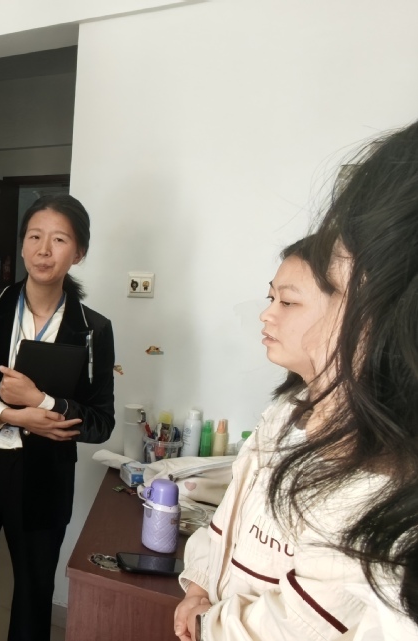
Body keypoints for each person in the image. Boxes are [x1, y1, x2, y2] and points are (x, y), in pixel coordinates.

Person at [175, 120, 418, 640]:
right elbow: (228, 522)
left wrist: (209, 624)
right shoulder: (285, 413)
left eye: (288, 301)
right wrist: (199, 585)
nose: (267, 314)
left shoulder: (378, 477)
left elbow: (299, 622)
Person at [0, 194, 116, 641]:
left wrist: (43, 402)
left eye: (59, 240)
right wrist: (9, 414)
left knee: (34, 599)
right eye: (35, 237)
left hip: (42, 481)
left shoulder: (93, 329)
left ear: (79, 252)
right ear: (21, 245)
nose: (44, 250)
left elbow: (100, 420)